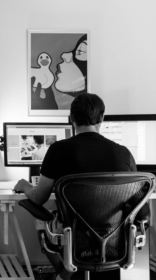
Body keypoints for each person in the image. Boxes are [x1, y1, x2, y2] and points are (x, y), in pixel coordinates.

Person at [14, 93, 140, 280]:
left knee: (41, 221)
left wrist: (25, 186)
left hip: (73, 236)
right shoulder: (123, 153)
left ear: (71, 119)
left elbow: (39, 198)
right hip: (115, 240)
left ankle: (65, 273)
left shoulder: (58, 150)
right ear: (102, 118)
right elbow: (139, 203)